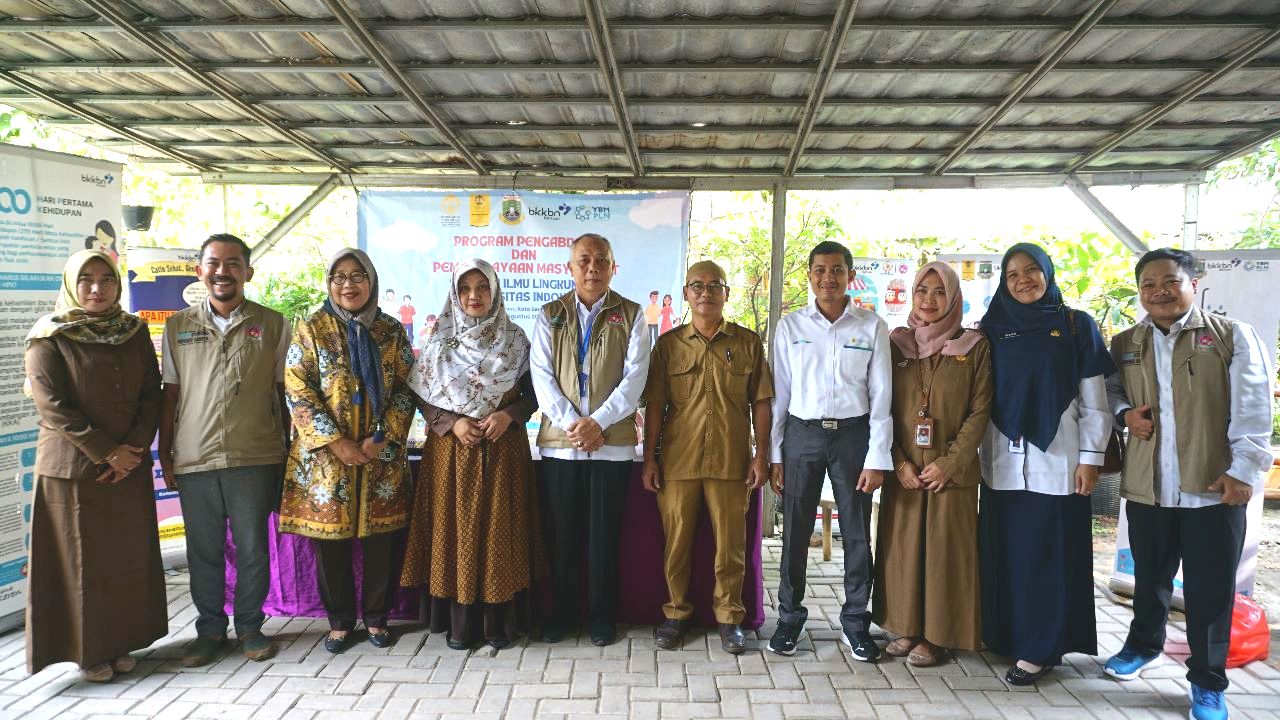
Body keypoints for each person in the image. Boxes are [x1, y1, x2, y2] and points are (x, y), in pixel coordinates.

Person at [1103, 248, 1273, 720]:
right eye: (1148, 284)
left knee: (1210, 590)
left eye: (1170, 281)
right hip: (1148, 485)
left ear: (1193, 283)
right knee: (1149, 579)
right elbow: (1109, 389)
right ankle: (1142, 647)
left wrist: (1244, 471)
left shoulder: (1230, 336)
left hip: (1212, 486)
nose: (1159, 291)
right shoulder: (1125, 343)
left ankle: (1208, 681)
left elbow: (1255, 407)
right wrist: (1123, 414)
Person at [23, 250, 165, 682]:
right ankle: (89, 654)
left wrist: (134, 448)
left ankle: (120, 641)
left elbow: (151, 393)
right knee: (80, 564)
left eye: (107, 279)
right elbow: (53, 406)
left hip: (129, 464)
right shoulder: (49, 336)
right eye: (86, 279)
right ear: (71, 283)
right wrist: (108, 452)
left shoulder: (133, 330)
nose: (97, 288)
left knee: (123, 559)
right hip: (73, 470)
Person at [977, 242, 1114, 686]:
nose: (1023, 280)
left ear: (1048, 273)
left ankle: (1041, 648)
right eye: (1012, 273)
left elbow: (1096, 401)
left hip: (1059, 461)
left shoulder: (1076, 325)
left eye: (1031, 270)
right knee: (1010, 555)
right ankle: (1008, 637)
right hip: (1001, 465)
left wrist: (1091, 459)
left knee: (1048, 558)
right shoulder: (991, 329)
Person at [159, 233, 290, 667]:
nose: (222, 271)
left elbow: (283, 393)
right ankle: (209, 630)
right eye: (214, 263)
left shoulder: (272, 325)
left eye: (233, 263)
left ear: (247, 273)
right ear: (200, 270)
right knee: (203, 550)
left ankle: (250, 627)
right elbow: (170, 394)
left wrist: (287, 452)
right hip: (194, 455)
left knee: (253, 548)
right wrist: (166, 451)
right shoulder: (178, 327)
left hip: (256, 455)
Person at [278, 248, 415, 653]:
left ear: (371, 282)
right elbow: (297, 387)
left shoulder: (391, 331)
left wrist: (380, 438)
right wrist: (337, 442)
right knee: (331, 546)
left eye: (357, 276)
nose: (348, 284)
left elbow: (409, 387)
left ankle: (376, 619)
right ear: (329, 283)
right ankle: (339, 622)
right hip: (326, 459)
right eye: (339, 276)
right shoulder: (311, 329)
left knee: (380, 543)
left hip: (380, 456)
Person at [401, 259, 542, 650]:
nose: (474, 296)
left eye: (482, 287)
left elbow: (534, 395)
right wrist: (450, 422)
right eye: (465, 289)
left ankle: (499, 623)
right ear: (455, 294)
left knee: (500, 532)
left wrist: (509, 415)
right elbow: (420, 393)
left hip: (502, 453)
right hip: (451, 455)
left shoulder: (515, 340)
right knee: (453, 531)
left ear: (494, 291)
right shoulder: (439, 341)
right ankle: (458, 625)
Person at [767, 240, 891, 662]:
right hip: (802, 435)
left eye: (837, 270)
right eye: (820, 270)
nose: (828, 278)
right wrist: (775, 454)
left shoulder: (871, 326)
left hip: (853, 437)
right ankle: (789, 618)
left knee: (856, 533)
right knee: (796, 531)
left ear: (849, 275)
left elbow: (881, 395)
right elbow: (779, 394)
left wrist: (878, 457)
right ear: (809, 274)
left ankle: (856, 623)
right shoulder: (791, 327)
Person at [642, 260, 773, 654]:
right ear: (685, 294)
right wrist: (650, 459)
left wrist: (761, 454)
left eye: (714, 285)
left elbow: (762, 402)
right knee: (677, 542)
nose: (705, 292)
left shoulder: (748, 343)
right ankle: (676, 613)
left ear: (726, 293)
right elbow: (655, 407)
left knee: (730, 545)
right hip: (678, 462)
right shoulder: (668, 345)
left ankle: (730, 617)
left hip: (732, 461)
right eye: (696, 285)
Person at [531, 233, 650, 646]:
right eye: (584, 260)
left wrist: (597, 422)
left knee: (604, 536)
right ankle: (562, 615)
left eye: (602, 259)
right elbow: (542, 379)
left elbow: (635, 380)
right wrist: (575, 424)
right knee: (561, 534)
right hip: (561, 444)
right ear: (570, 267)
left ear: (614, 267)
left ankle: (602, 617)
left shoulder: (632, 315)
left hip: (611, 444)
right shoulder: (550, 314)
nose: (592, 268)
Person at [873, 261, 992, 667]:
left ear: (954, 297)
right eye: (922, 290)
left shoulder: (974, 346)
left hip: (950, 474)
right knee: (903, 549)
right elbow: (880, 407)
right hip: (904, 470)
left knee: (946, 553)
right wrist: (898, 461)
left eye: (939, 291)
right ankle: (905, 626)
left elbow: (980, 412)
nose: (929, 299)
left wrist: (950, 463)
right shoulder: (896, 343)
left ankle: (939, 636)